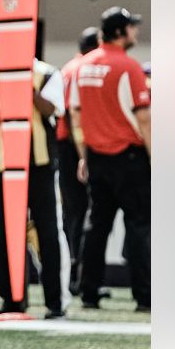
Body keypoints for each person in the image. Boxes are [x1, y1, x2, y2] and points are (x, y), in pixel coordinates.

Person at [69, 6, 150, 312]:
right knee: (139, 226)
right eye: (132, 27)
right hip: (129, 158)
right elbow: (144, 119)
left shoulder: (82, 67)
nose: (136, 32)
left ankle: (89, 291)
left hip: (96, 157)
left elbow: (76, 115)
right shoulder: (129, 67)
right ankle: (144, 296)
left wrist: (83, 156)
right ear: (120, 32)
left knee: (96, 226)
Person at [0, 60, 67, 318]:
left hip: (40, 165)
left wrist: (27, 90)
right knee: (5, 233)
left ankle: (55, 301)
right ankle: (12, 299)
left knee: (47, 233)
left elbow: (54, 111)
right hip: (4, 166)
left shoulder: (46, 74)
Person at [57, 26, 98, 296]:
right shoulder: (85, 68)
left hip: (64, 145)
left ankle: (75, 275)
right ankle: (79, 275)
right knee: (83, 214)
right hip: (76, 145)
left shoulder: (67, 68)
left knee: (73, 213)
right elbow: (75, 114)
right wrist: (84, 154)